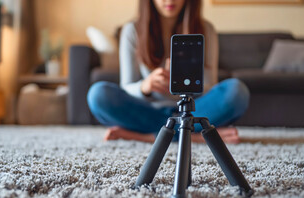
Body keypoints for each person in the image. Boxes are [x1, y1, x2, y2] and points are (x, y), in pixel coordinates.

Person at [87, 0, 250, 144]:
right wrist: (146, 86)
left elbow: (210, 86)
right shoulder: (132, 30)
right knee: (98, 94)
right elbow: (126, 87)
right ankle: (191, 136)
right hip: (149, 111)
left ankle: (150, 136)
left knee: (237, 91)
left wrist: (188, 82)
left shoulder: (206, 29)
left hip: (192, 111)